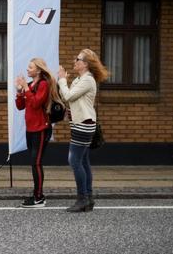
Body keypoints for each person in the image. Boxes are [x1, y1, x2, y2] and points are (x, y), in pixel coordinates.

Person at [57, 49, 109, 212]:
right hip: (81, 124)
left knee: (74, 161)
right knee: (84, 162)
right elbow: (70, 99)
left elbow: (69, 96)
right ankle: (88, 198)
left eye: (77, 59)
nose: (74, 61)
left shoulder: (88, 80)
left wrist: (62, 80)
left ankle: (82, 199)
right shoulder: (81, 79)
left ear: (85, 64)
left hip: (84, 126)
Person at [15, 58, 61, 208]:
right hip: (30, 129)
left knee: (36, 162)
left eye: (30, 67)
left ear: (39, 70)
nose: (27, 69)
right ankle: (37, 193)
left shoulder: (43, 84)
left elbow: (35, 103)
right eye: (28, 67)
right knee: (34, 163)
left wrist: (26, 90)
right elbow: (20, 106)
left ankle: (39, 197)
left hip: (41, 129)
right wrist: (19, 91)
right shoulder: (30, 85)